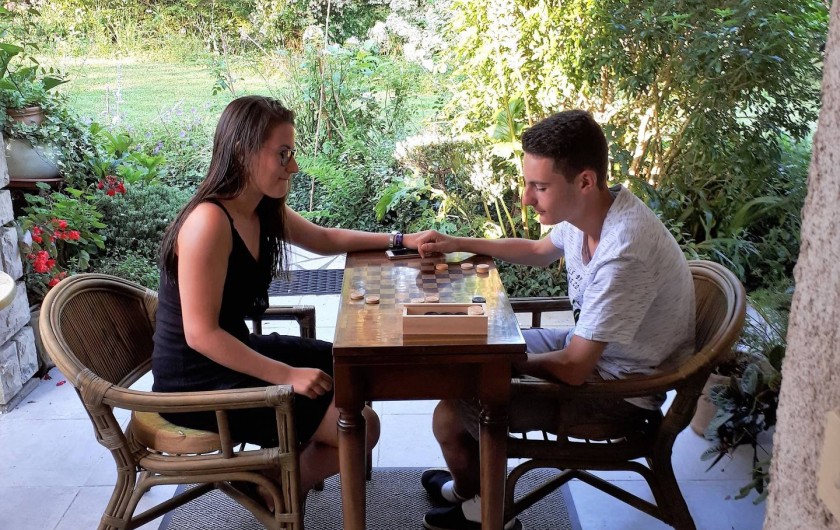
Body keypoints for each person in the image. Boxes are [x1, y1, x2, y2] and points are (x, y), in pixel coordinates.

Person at [413, 110, 696, 530]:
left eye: (539, 187)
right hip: (595, 355)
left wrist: (503, 358)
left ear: (584, 180)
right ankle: (470, 493)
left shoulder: (624, 252)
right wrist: (457, 243)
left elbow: (576, 367)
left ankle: (485, 513)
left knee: (462, 399)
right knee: (458, 385)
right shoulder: (596, 211)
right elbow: (537, 251)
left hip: (618, 394)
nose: (527, 198)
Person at [151, 95, 426, 507]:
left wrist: (401, 241)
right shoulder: (209, 222)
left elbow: (324, 239)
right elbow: (201, 334)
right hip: (198, 382)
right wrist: (286, 374)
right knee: (362, 426)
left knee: (351, 366)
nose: (293, 166)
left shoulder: (260, 209)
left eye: (291, 153)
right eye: (283, 154)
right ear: (243, 152)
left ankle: (274, 477)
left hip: (234, 354)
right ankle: (274, 491)